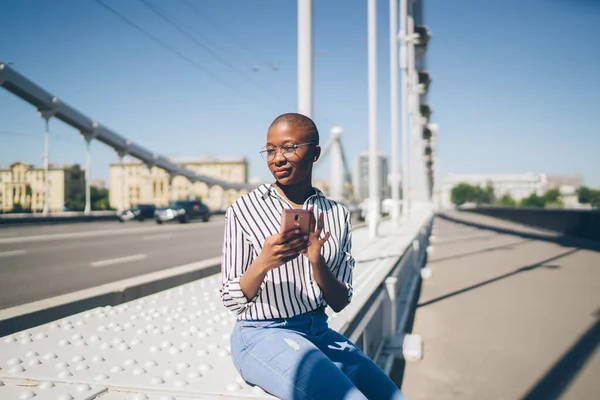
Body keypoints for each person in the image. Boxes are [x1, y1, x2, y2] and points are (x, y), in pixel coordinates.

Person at [220, 113, 408, 400]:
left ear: (315, 152)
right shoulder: (243, 209)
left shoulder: (337, 214)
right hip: (262, 333)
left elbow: (340, 301)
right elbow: (230, 299)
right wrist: (263, 263)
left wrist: (316, 261)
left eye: (289, 147)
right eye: (270, 150)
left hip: (319, 331)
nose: (277, 158)